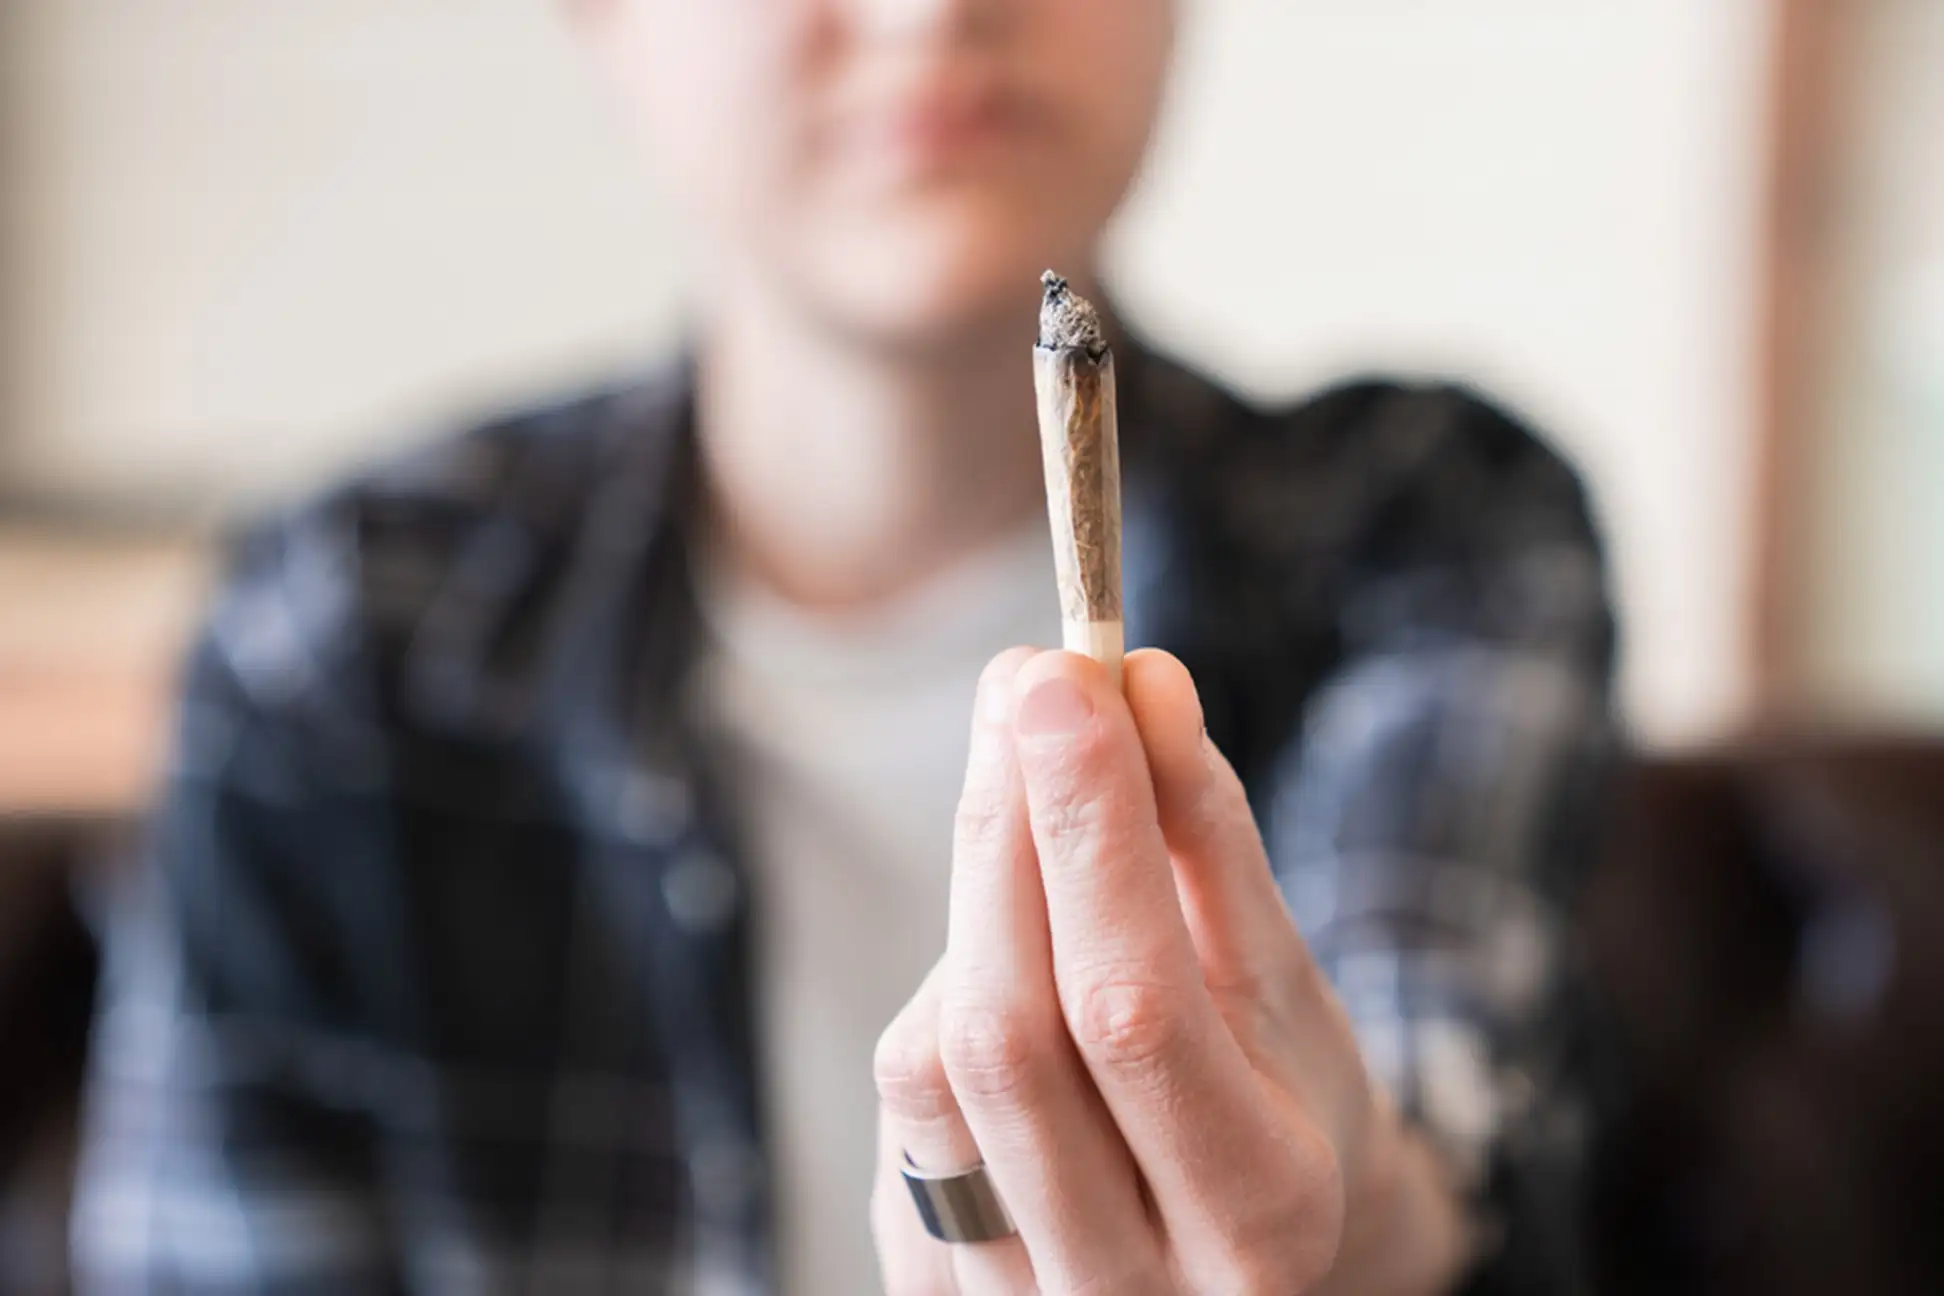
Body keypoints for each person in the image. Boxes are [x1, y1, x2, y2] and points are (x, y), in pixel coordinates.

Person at [72, 2, 1615, 1292]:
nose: (930, 14)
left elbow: (1439, 1083)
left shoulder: (1428, 533)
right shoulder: (344, 636)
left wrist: (1344, 1224)